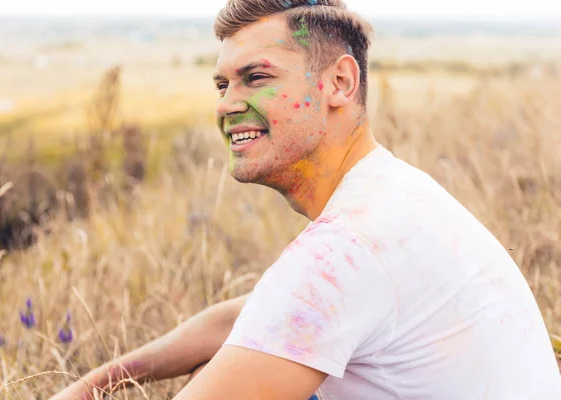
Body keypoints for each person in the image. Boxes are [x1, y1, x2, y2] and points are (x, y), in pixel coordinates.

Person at [52, 0, 561, 399]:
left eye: (257, 77)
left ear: (339, 82)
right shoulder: (392, 191)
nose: (227, 104)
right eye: (222, 83)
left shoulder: (345, 247)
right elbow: (249, 320)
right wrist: (98, 382)